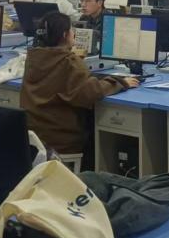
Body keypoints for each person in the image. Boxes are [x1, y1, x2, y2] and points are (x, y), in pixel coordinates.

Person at [20, 12, 139, 166]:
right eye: (71, 30)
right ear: (65, 35)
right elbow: (91, 92)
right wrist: (120, 82)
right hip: (61, 142)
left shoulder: (33, 58)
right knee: (95, 132)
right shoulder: (68, 62)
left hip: (34, 140)